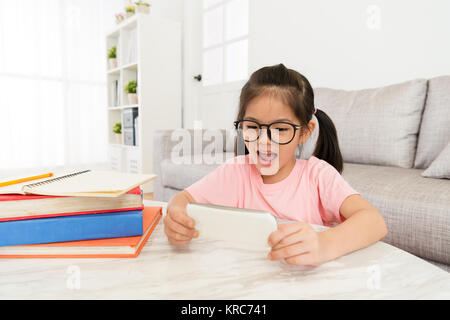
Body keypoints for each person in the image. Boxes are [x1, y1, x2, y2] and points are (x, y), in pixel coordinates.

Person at [164, 63, 387, 267]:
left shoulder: (318, 176)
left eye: (280, 130)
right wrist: (176, 217)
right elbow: (183, 200)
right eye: (252, 127)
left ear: (304, 132)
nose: (263, 141)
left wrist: (324, 244)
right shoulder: (236, 171)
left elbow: (374, 221)